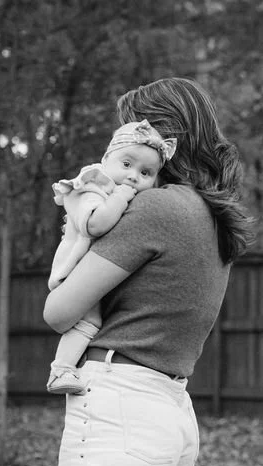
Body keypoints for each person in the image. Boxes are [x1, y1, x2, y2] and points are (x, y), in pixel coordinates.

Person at [40, 77, 254, 466]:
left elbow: (60, 311)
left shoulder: (155, 208)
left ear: (161, 139)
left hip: (118, 407)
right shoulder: (212, 216)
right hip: (169, 412)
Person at [46, 120, 177, 395]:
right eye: (127, 165)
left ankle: (67, 367)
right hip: (74, 270)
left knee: (95, 322)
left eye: (145, 173)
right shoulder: (91, 187)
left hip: (93, 268)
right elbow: (96, 224)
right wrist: (122, 196)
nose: (133, 177)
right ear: (106, 160)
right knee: (88, 322)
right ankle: (60, 370)